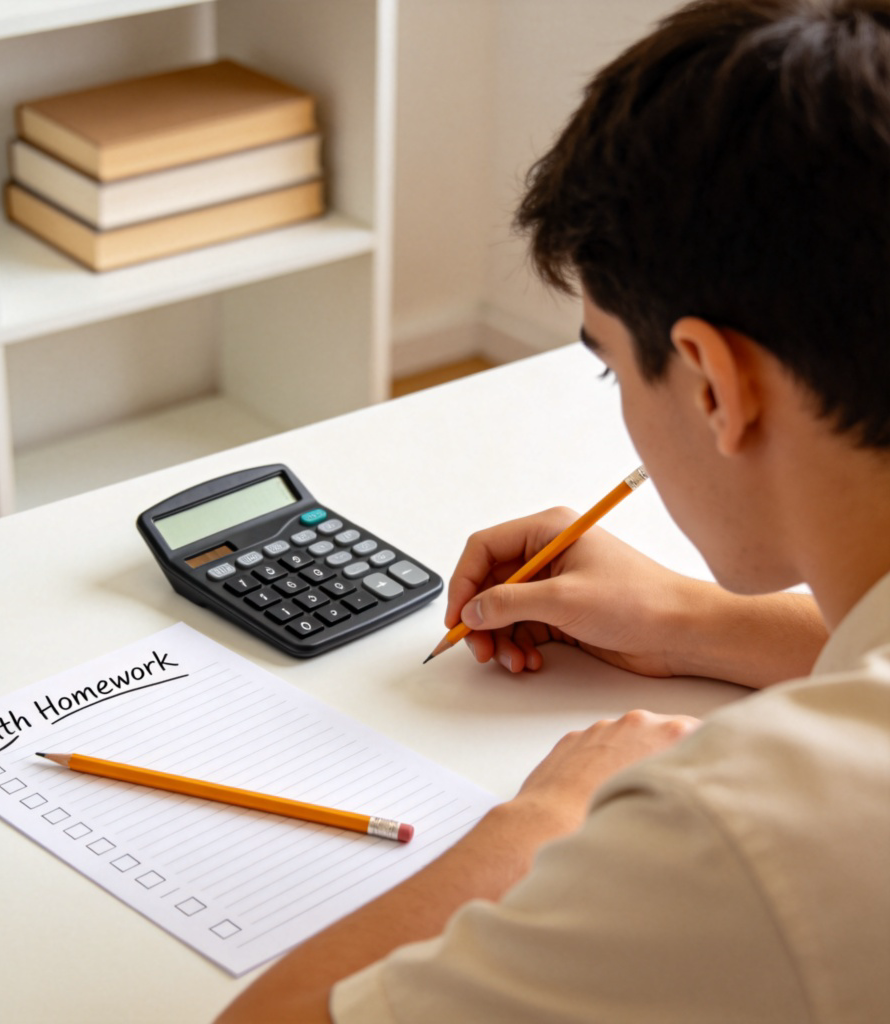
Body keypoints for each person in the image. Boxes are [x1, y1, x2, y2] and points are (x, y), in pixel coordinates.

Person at [217, 0, 890, 1019]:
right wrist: (694, 623)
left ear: (712, 382)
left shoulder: (741, 833)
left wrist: (547, 814)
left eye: (609, 365)